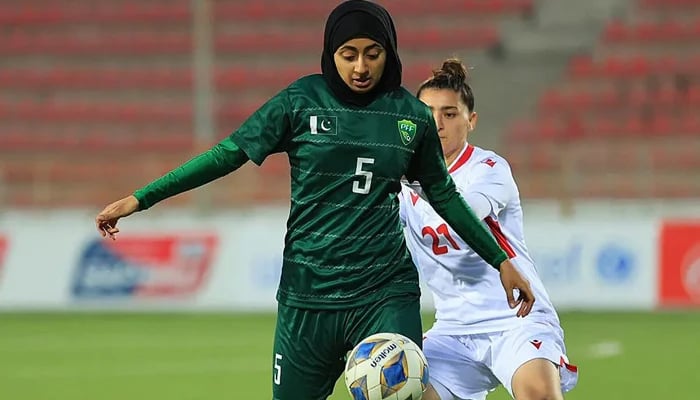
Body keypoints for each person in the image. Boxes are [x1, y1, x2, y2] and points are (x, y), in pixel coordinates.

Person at [94, 2, 534, 399]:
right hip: (307, 297)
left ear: (390, 53)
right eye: (348, 54)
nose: (360, 66)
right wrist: (142, 198)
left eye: (372, 53)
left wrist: (501, 260)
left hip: (383, 291)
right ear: (330, 53)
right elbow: (226, 154)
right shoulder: (299, 102)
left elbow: (445, 196)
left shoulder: (410, 115)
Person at [399, 59, 578, 400]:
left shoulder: (489, 169)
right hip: (453, 331)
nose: (437, 124)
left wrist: (411, 178)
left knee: (539, 395)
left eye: (450, 114)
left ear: (471, 121)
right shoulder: (402, 184)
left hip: (516, 319)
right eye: (427, 113)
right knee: (406, 392)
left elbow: (463, 212)